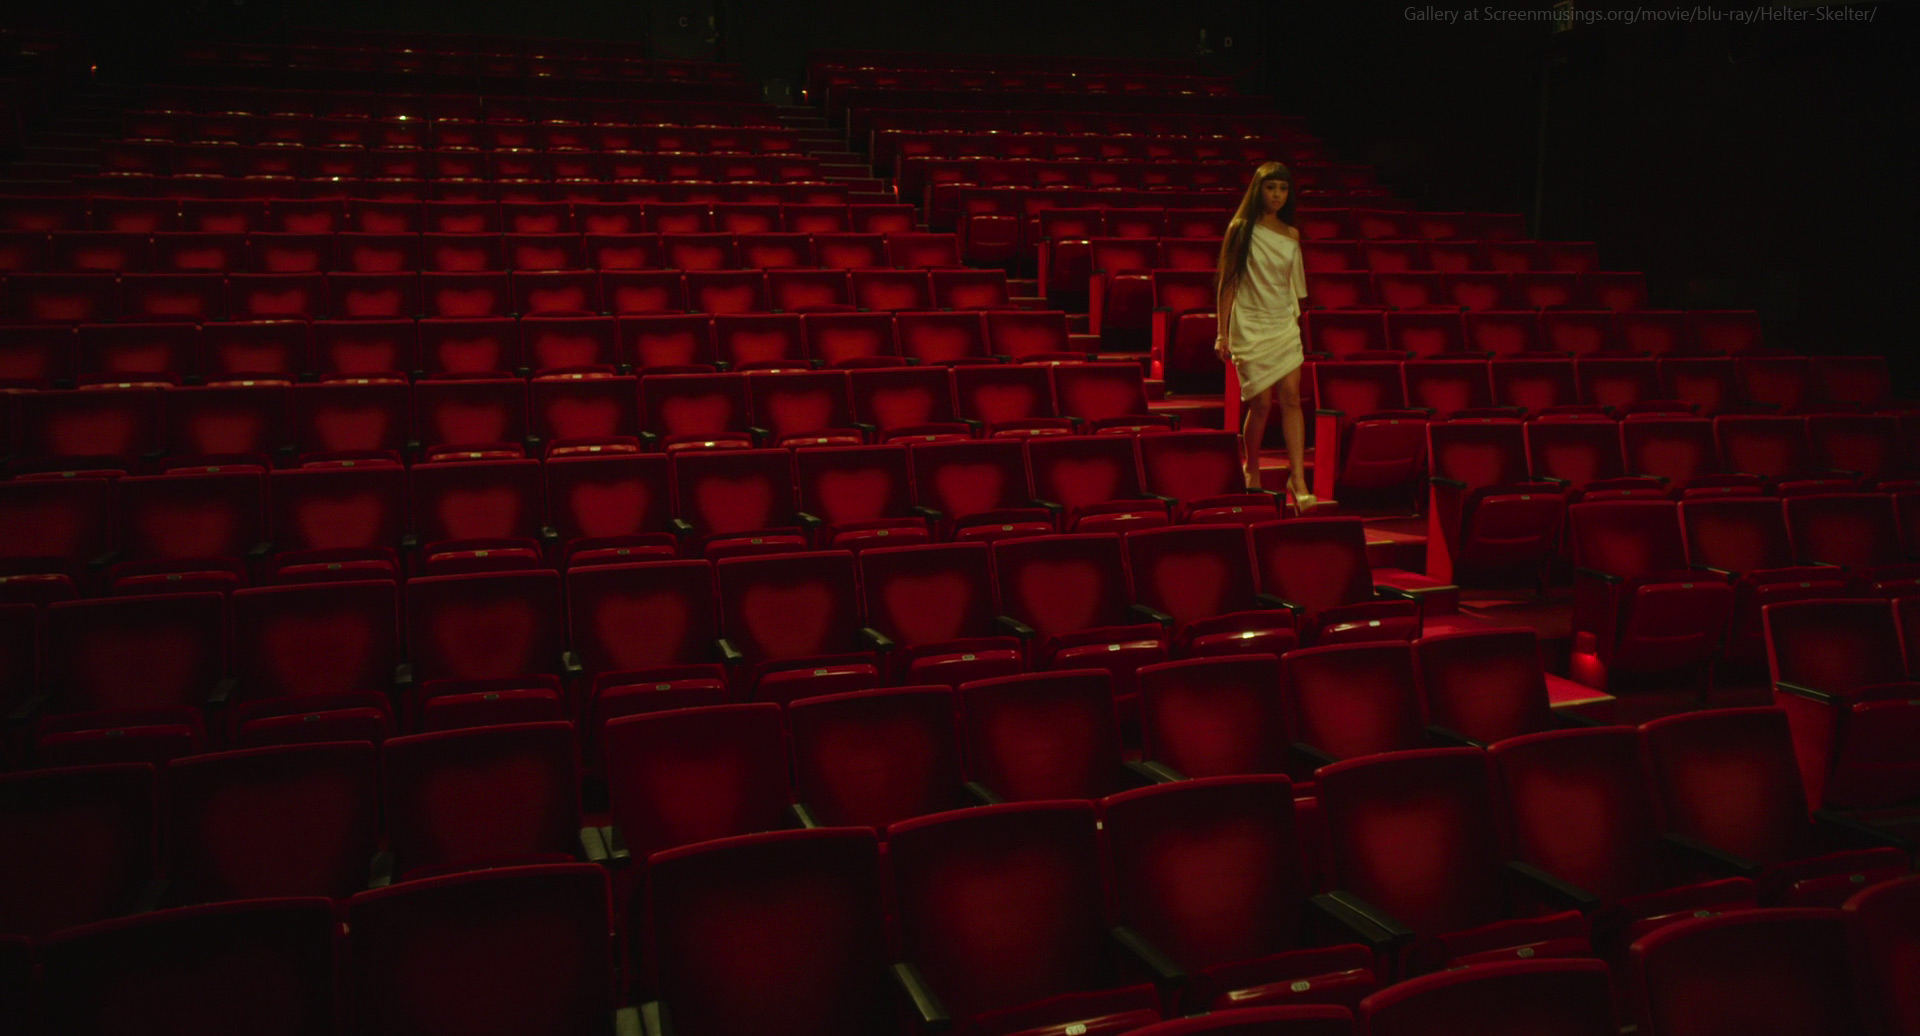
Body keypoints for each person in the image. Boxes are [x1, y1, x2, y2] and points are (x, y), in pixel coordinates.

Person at [1214, 160, 1314, 510]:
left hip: (1282, 323)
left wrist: (1296, 326)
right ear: (1259, 190)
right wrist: (1221, 333)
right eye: (1271, 188)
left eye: (1283, 189)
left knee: (1291, 398)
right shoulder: (1241, 228)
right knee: (1260, 403)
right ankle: (1251, 466)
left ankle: (1297, 478)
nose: (1277, 195)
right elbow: (1228, 283)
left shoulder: (1291, 234)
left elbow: (1293, 288)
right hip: (1250, 324)